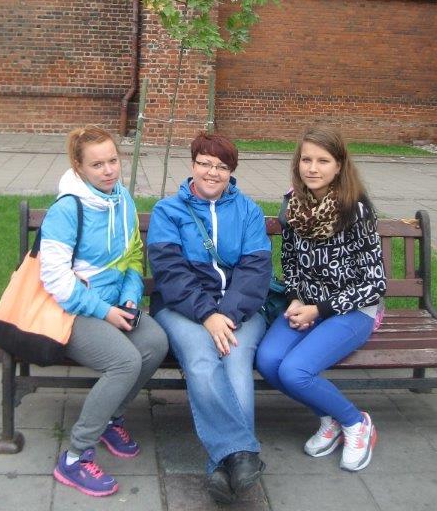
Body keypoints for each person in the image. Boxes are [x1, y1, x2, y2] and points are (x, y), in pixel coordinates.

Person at [40, 125, 169, 497]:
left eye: (113, 160)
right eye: (97, 164)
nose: (109, 170)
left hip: (113, 305)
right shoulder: (67, 209)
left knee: (156, 342)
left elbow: (132, 255)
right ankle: (75, 456)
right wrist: (104, 311)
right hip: (72, 311)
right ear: (78, 167)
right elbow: (56, 281)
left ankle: (112, 418)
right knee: (125, 361)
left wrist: (129, 298)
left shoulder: (122, 199)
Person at [147, 132, 272, 504]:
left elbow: (255, 272)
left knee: (235, 359)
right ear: (192, 165)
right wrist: (207, 315)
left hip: (240, 310)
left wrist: (225, 316)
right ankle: (243, 456)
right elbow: (170, 274)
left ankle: (221, 466)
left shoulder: (248, 211)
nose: (212, 172)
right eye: (205, 163)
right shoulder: (168, 211)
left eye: (221, 166)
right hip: (181, 309)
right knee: (202, 360)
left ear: (231, 171)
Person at [255, 124, 386, 473]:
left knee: (295, 371)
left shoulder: (356, 210)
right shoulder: (293, 206)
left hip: (353, 310)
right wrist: (295, 299)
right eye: (306, 159)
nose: (312, 168)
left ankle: (356, 423)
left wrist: (320, 309)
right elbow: (290, 261)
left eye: (323, 161)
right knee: (268, 360)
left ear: (339, 165)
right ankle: (328, 418)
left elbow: (375, 284)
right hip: (307, 306)